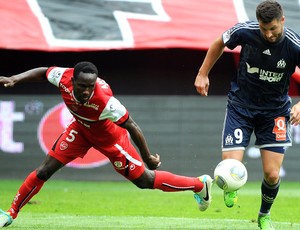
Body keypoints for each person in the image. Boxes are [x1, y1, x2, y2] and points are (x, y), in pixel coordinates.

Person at [0, 61, 212, 227]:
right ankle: (10, 213)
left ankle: (200, 184)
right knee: (44, 170)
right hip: (81, 131)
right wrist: (15, 78)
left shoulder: (106, 102)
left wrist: (147, 157)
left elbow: (133, 126)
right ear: (72, 81)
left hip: (111, 140)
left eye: (90, 87)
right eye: (82, 86)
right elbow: (43, 72)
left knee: (144, 181)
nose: (86, 92)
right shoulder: (63, 76)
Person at [194, 1, 300, 229]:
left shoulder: (294, 45)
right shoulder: (245, 31)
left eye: (273, 28)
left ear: (282, 20)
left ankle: (264, 214)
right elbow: (218, 43)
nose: (269, 34)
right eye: (264, 29)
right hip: (241, 107)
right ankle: (231, 186)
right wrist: (203, 74)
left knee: (272, 175)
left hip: (275, 113)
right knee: (229, 168)